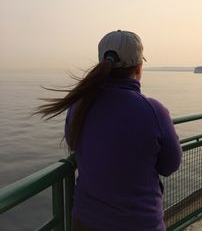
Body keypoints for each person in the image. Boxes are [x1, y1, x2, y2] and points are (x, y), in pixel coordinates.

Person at [36, 30, 182, 231]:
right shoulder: (154, 111)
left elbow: (74, 144)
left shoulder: (79, 105)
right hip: (139, 224)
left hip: (85, 222)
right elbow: (170, 165)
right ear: (139, 67)